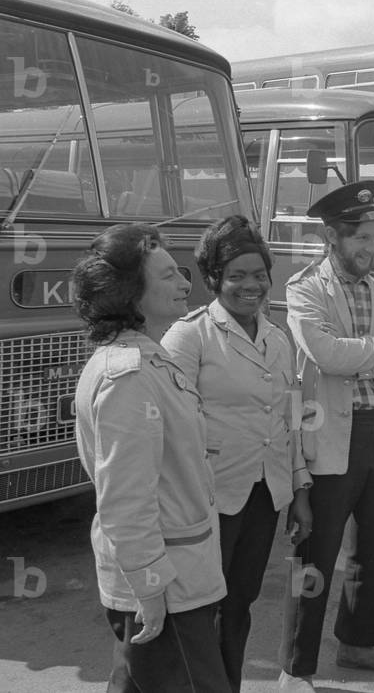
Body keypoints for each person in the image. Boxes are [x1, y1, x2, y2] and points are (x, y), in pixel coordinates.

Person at [277, 180, 374, 692]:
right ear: (332, 237)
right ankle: (295, 668)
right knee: (315, 555)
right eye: (360, 238)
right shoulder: (303, 290)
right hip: (328, 438)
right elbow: (326, 356)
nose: (370, 248)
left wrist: (365, 352)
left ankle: (358, 644)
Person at [72, 223, 231, 692]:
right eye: (167, 276)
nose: (186, 284)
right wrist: (150, 587)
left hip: (177, 572)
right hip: (168, 583)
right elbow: (125, 500)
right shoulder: (132, 376)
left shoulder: (148, 360)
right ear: (130, 292)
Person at [161, 216, 313, 693]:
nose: (251, 286)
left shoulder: (278, 337)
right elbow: (171, 426)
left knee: (240, 603)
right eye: (237, 276)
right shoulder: (189, 337)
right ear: (213, 281)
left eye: (259, 275)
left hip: (263, 494)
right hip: (208, 498)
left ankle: (228, 684)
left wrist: (300, 489)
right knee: (197, 607)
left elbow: (289, 420)